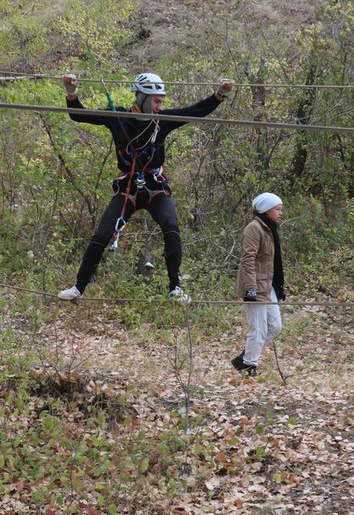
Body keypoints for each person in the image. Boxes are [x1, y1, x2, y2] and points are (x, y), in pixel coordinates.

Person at [57, 72, 235, 303]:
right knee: (101, 235)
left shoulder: (163, 121)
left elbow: (195, 111)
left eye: (162, 102)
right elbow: (79, 115)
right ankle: (78, 288)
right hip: (128, 187)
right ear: (142, 98)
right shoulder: (118, 116)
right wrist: (71, 93)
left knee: (171, 228)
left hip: (155, 187)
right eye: (157, 101)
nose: (160, 106)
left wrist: (220, 94)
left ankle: (175, 288)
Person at [232, 192, 286, 376]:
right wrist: (250, 288)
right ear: (266, 210)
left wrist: (279, 286)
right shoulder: (254, 228)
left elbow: (272, 262)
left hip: (268, 285)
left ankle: (245, 357)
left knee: (275, 326)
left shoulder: (270, 229)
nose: (281, 213)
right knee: (259, 328)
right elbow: (248, 259)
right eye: (277, 209)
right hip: (254, 286)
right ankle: (249, 367)